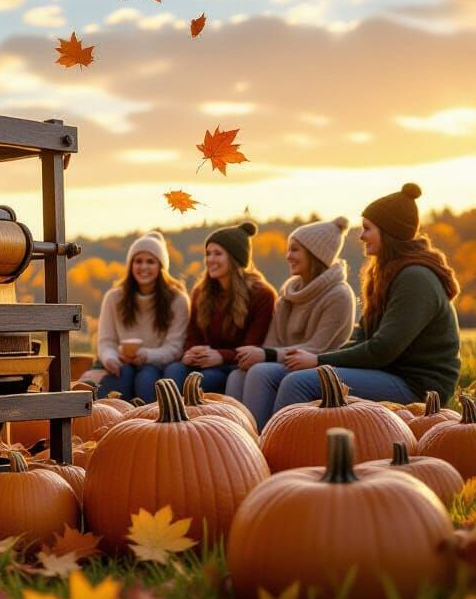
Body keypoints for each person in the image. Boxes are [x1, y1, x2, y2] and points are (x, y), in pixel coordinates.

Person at [271, 183, 461, 413]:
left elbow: (382, 349)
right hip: (389, 372)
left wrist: (319, 361)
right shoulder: (387, 273)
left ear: (389, 232)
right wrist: (318, 358)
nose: (362, 236)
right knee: (276, 374)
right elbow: (364, 338)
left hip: (418, 386)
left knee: (299, 382)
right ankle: (254, 441)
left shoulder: (415, 278)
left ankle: (278, 446)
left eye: (368, 228)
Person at [225, 217, 356, 428]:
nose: (288, 256)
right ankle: (233, 436)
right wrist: (260, 354)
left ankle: (260, 438)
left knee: (260, 372)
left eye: (295, 250)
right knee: (237, 375)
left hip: (317, 365)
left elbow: (317, 347)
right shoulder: (289, 292)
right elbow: (273, 341)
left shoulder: (339, 294)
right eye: (288, 250)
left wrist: (267, 355)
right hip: (286, 362)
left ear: (315, 254)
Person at [162, 222, 276, 395]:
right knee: (173, 372)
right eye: (208, 254)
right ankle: (169, 419)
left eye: (218, 254)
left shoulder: (262, 295)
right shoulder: (201, 292)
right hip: (204, 361)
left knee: (204, 380)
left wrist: (221, 356)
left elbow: (253, 346)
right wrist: (190, 352)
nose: (210, 260)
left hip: (233, 365)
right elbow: (193, 335)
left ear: (235, 257)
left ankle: (197, 420)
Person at [96, 231, 190, 401]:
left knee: (146, 377)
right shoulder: (114, 298)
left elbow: (175, 348)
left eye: (150, 262)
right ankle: (116, 423)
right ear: (130, 265)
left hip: (159, 364)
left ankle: (149, 423)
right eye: (138, 261)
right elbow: (106, 341)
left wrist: (144, 355)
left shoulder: (177, 300)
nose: (143, 267)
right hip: (123, 361)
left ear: (161, 266)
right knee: (120, 375)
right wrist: (109, 358)